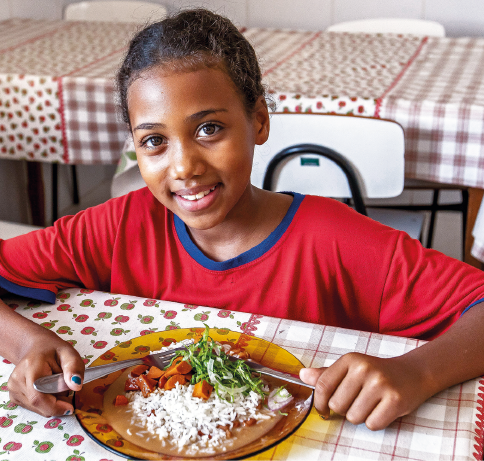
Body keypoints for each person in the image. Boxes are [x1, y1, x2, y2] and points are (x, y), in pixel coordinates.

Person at [1, 8, 484, 431]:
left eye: (209, 129)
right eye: (154, 141)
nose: (184, 166)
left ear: (258, 121)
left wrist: (416, 372)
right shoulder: (119, 227)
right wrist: (26, 342)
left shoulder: (335, 241)